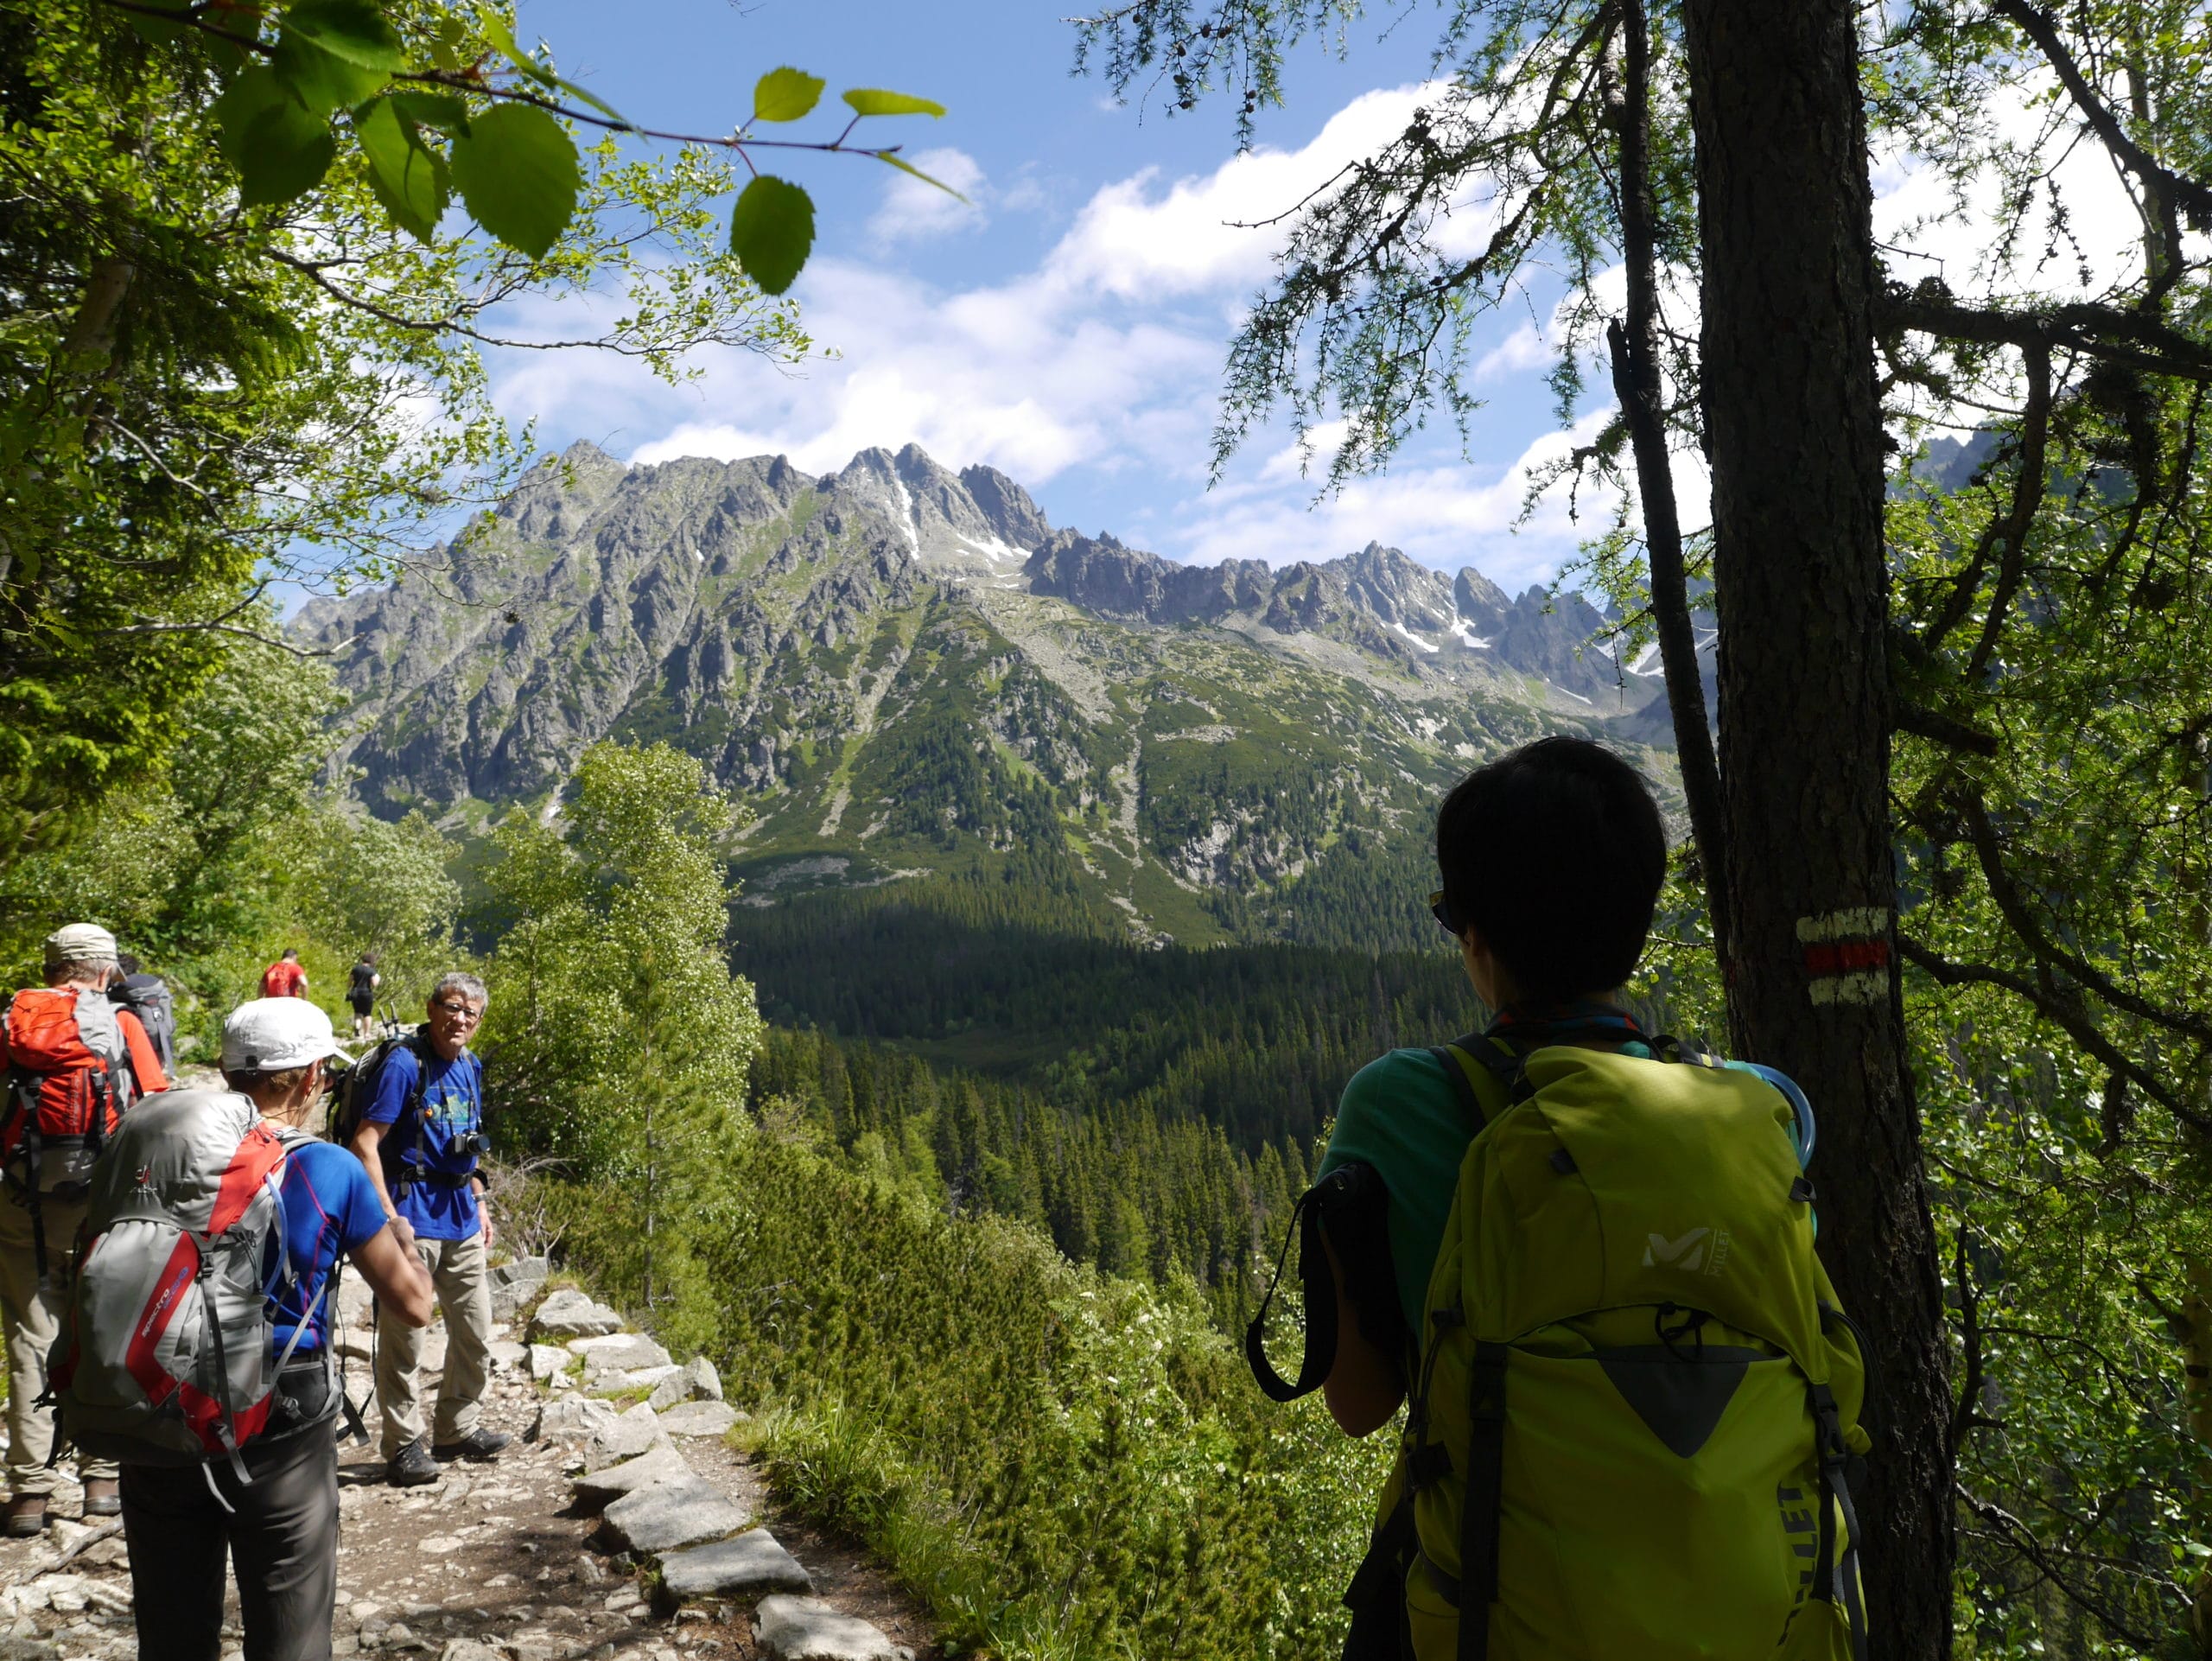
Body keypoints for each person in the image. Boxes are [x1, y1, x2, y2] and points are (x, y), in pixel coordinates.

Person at [1300, 737, 1869, 1659]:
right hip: (1741, 1612)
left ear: (1476, 933)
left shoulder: (1400, 1100)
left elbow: (1359, 1401)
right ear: (1637, 922)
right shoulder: (1766, 1108)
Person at [116, 998, 434, 1661]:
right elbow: (413, 1307)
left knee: (172, 1636)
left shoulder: (143, 1144)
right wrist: (402, 1236)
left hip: (152, 1405)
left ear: (230, 1071)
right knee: (291, 1627)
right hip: (278, 1423)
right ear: (312, 1076)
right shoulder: (328, 1167)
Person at [0, 922, 167, 1534]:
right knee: (103, 1332)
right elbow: (155, 1110)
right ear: (104, 970)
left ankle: (29, 1494)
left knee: (29, 1338)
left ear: (50, 968)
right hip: (104, 1205)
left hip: (23, 1201)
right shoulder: (121, 1025)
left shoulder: (12, 1024)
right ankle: (101, 1480)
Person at [350, 971, 508, 1486]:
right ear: (432, 1006)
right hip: (410, 1218)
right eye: (452, 1006)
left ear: (478, 1022)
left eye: (470, 1012)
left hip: (461, 1216)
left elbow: (470, 1142)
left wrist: (479, 1200)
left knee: (476, 1332)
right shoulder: (404, 1064)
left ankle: (456, 1428)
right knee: (406, 1342)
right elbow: (365, 1144)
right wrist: (389, 1217)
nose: (459, 1018)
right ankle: (403, 1447)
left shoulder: (471, 1065)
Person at [110, 953, 178, 1072]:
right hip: (163, 1041)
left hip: (142, 1045)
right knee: (157, 1076)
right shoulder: (154, 983)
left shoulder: (121, 987)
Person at [346, 951, 381, 1041]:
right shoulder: (371, 971)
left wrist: (349, 989)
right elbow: (374, 984)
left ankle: (357, 1028)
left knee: (357, 1012)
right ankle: (367, 1033)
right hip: (366, 993)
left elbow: (349, 982)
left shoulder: (355, 969)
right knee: (367, 1014)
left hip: (355, 993)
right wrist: (378, 978)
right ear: (372, 961)